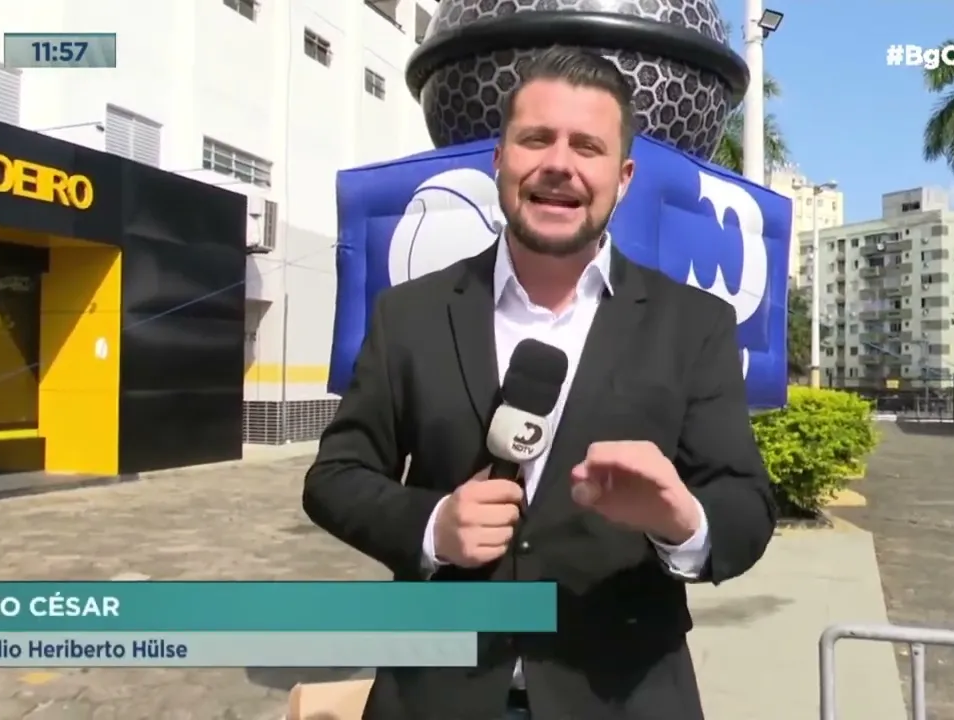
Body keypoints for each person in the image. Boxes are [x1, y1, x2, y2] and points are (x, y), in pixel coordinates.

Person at [303, 46, 777, 720]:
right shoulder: (408, 314)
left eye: (588, 146)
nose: (559, 164)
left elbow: (746, 505)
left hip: (623, 698)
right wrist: (432, 525)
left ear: (624, 177)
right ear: (499, 159)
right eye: (536, 139)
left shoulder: (694, 324)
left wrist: (683, 521)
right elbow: (335, 477)